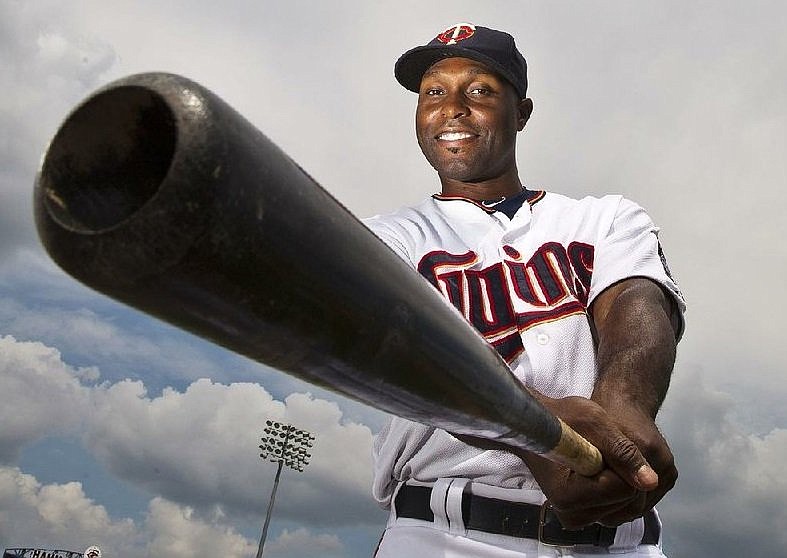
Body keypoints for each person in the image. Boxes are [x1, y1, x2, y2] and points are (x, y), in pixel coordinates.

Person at [363, 23, 686, 557]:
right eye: (433, 93)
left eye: (481, 90)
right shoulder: (389, 237)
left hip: (619, 540)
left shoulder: (603, 217)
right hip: (444, 533)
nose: (453, 108)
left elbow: (637, 308)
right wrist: (533, 427)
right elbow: (396, 352)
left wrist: (622, 416)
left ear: (523, 113)